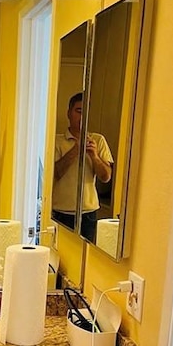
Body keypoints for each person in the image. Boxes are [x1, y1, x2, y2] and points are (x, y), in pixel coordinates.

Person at [51, 92, 113, 242]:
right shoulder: (56, 141)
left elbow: (106, 177)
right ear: (69, 113)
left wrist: (95, 156)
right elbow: (56, 174)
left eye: (86, 112)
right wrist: (76, 150)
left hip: (89, 213)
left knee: (87, 253)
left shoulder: (98, 140)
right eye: (79, 111)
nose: (82, 116)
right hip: (61, 212)